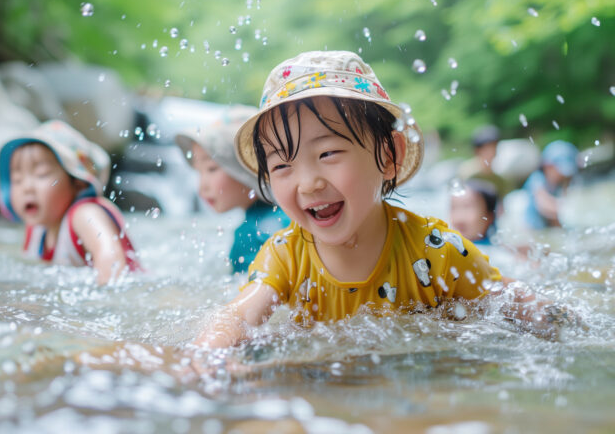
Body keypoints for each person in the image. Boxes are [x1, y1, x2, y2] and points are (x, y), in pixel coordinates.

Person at [192, 50, 573, 351]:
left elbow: (511, 299)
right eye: (282, 165)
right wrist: (205, 360)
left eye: (327, 154)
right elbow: (238, 316)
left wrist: (555, 321)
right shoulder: (285, 256)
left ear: (389, 155)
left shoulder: (435, 251)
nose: (307, 183)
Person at [0, 120, 142, 284]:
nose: (27, 188)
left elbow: (110, 259)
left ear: (78, 183)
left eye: (41, 174)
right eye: (17, 179)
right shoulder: (36, 229)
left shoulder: (85, 214)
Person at [176, 106, 289, 274]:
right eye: (198, 172)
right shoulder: (287, 216)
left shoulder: (251, 235)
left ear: (248, 167)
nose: (201, 187)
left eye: (212, 169)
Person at [522, 140, 579, 229]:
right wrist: (566, 210)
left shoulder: (559, 184)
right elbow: (543, 203)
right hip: (531, 227)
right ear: (547, 166)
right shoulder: (537, 179)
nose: (562, 176)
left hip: (547, 225)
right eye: (560, 171)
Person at [458, 125, 511, 200]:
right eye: (487, 149)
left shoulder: (501, 179)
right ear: (477, 151)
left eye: (494, 148)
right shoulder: (467, 173)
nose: (491, 153)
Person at [449, 179, 498, 245]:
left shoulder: (499, 254)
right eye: (453, 207)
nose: (459, 217)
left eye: (467, 206)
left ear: (489, 216)